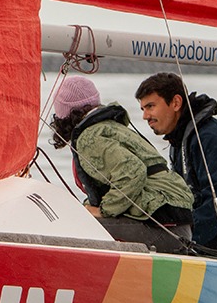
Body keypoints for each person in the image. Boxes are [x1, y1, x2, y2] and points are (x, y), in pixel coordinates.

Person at [50, 74, 193, 253]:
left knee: (70, 226)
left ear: (64, 114)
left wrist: (104, 210)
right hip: (178, 227)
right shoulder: (111, 128)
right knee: (83, 215)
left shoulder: (90, 138)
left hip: (162, 231)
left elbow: (133, 172)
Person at [135, 72, 217, 256]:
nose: (145, 116)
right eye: (142, 109)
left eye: (150, 106)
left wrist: (181, 240)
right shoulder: (181, 139)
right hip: (204, 231)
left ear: (176, 103)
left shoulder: (208, 138)